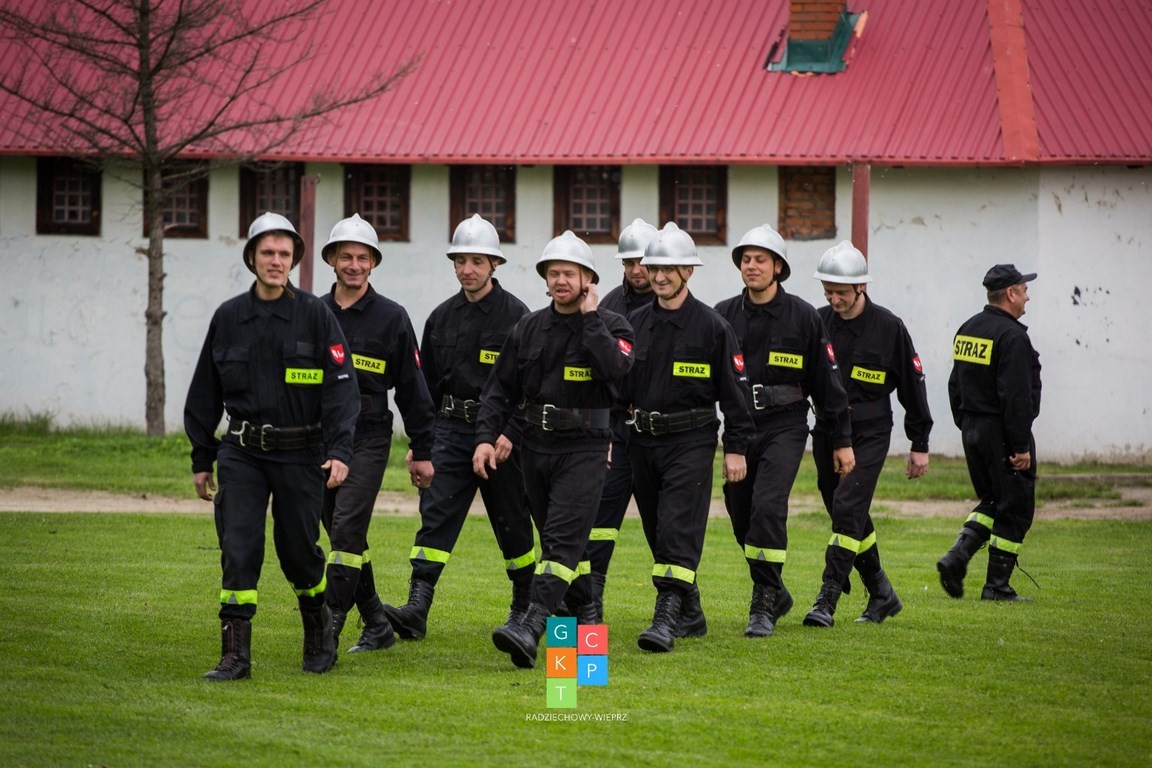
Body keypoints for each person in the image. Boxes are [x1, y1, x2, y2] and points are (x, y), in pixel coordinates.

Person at [184, 212, 360, 680]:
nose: (276, 261)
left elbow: (342, 389)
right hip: (242, 452)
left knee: (299, 551)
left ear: (294, 259)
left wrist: (340, 451)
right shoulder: (228, 318)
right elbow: (204, 392)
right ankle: (235, 656)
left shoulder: (315, 315)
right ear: (252, 258)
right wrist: (202, 458)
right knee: (239, 546)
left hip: (302, 453)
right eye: (268, 252)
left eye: (284, 253)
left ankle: (318, 629)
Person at [473, 230, 634, 669]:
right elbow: (498, 390)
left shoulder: (613, 326)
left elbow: (615, 370)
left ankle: (532, 625)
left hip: (586, 449)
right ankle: (588, 624)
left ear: (588, 280)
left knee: (561, 543)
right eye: (554, 273)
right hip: (535, 449)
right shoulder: (528, 327)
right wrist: (485, 437)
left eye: (570, 273)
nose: (561, 280)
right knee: (566, 547)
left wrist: (591, 318)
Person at [383, 214, 536, 639]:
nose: (468, 269)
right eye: (461, 260)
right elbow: (426, 389)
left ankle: (523, 606)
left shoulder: (518, 317)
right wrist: (421, 443)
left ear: (494, 264)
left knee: (512, 522)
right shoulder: (440, 318)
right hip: (450, 431)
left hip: (501, 437)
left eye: (477, 261)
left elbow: (530, 388)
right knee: (435, 516)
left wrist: (511, 433)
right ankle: (417, 606)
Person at [714, 224, 854, 638]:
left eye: (760, 259)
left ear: (778, 267)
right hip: (740, 428)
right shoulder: (723, 315)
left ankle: (762, 602)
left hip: (786, 424)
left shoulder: (803, 316)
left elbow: (828, 382)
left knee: (768, 506)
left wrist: (842, 440)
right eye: (746, 259)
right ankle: (776, 591)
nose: (751, 266)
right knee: (739, 508)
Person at [624, 222, 754, 652]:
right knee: (656, 530)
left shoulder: (713, 328)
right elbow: (618, 388)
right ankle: (691, 611)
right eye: (654, 268)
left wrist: (736, 449)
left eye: (669, 269)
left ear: (688, 271)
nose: (659, 276)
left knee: (678, 527)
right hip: (642, 443)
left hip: (691, 441)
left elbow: (735, 395)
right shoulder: (634, 324)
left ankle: (665, 618)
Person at [318, 214, 437, 654]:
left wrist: (423, 450)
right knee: (341, 534)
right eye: (346, 256)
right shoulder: (313, 314)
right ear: (332, 260)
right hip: (320, 437)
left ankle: (328, 628)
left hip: (368, 436)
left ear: (373, 263)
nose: (354, 265)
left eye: (362, 258)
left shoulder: (392, 317)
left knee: (347, 528)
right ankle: (376, 622)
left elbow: (412, 389)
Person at [802, 241, 932, 628]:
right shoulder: (817, 322)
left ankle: (827, 597)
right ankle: (881, 592)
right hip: (827, 429)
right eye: (827, 291)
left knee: (847, 507)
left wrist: (919, 443)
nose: (833, 299)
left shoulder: (889, 328)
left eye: (840, 292)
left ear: (861, 287)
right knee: (843, 509)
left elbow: (913, 386)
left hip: (871, 431)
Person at [560, 218, 658, 624]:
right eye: (629, 263)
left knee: (664, 526)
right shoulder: (606, 306)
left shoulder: (673, 306)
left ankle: (686, 606)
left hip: (657, 431)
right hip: (614, 427)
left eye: (643, 262)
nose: (637, 270)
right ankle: (591, 601)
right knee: (600, 521)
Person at [937, 264, 1041, 602]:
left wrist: (968, 424)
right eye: (1024, 290)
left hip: (973, 428)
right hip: (1002, 431)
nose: (1027, 296)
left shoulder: (968, 328)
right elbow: (1016, 396)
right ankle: (997, 586)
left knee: (994, 500)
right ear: (1010, 293)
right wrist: (1020, 445)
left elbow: (955, 384)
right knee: (1016, 506)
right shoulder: (1012, 336)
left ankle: (957, 557)